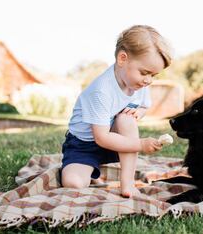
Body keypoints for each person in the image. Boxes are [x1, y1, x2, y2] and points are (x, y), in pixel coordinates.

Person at [61, 25, 173, 197]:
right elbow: (101, 137)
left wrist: (138, 113)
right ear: (122, 59)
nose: (148, 80)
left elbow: (143, 106)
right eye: (145, 73)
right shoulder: (101, 90)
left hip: (116, 140)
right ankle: (87, 168)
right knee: (74, 184)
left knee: (126, 119)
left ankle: (127, 184)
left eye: (153, 75)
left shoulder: (137, 82)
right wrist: (141, 144)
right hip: (84, 145)